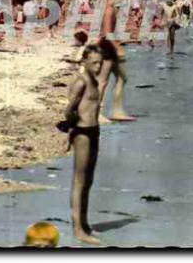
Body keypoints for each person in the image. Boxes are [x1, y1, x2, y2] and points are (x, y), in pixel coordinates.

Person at [62, 45, 104, 245]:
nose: (98, 66)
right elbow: (69, 109)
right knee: (79, 181)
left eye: (100, 63)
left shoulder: (93, 80)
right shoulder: (80, 82)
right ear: (85, 62)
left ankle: (84, 223)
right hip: (83, 133)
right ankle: (77, 228)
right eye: (94, 63)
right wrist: (70, 132)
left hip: (94, 131)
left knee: (89, 181)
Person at [96, 0, 133, 123]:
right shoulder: (109, 9)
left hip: (109, 46)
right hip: (107, 48)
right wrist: (117, 47)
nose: (122, 0)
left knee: (122, 78)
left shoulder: (111, 7)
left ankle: (117, 111)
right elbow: (106, 33)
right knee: (102, 81)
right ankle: (98, 113)